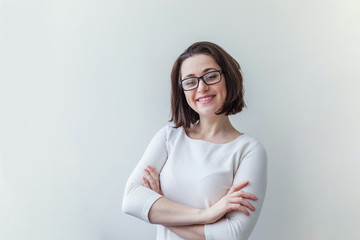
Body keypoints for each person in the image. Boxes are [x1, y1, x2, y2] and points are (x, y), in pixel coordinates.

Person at [122, 41, 267, 240]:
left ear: (229, 77)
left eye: (211, 76)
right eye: (190, 81)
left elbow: (232, 235)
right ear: (182, 90)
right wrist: (208, 214)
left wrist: (160, 209)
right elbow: (130, 200)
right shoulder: (169, 136)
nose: (202, 87)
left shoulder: (249, 150)